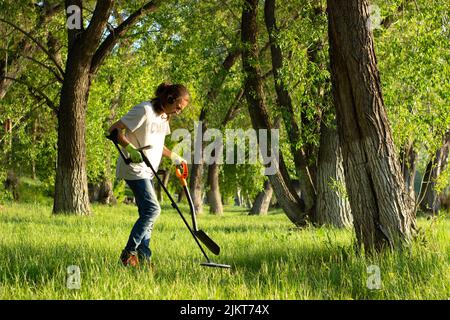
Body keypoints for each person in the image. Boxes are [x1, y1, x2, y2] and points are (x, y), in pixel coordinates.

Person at [108, 82, 189, 267]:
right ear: (168, 99)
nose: (179, 112)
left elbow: (159, 145)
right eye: (177, 107)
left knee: (147, 215)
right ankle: (128, 254)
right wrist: (129, 147)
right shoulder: (144, 110)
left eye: (181, 109)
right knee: (153, 210)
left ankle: (144, 257)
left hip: (148, 170)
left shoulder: (164, 118)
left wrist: (175, 156)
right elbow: (114, 129)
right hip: (134, 168)